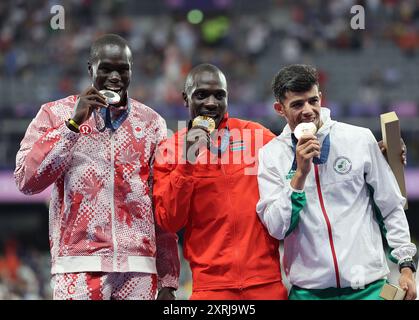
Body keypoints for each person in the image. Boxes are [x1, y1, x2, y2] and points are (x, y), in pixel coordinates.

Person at [14, 34, 179, 300]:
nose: (115, 76)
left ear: (131, 71)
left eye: (122, 69)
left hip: (139, 268)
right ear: (90, 68)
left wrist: (168, 279)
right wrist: (72, 126)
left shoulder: (152, 124)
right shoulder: (54, 114)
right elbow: (26, 180)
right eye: (106, 68)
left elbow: (160, 204)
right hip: (78, 265)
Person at [256, 64, 417, 300]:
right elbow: (276, 228)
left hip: (370, 289)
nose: (308, 110)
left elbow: (390, 205)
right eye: (297, 104)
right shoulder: (271, 155)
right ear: (280, 109)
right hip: (308, 293)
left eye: (313, 100)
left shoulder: (359, 139)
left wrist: (406, 267)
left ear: (321, 97)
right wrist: (299, 175)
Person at [153, 64, 288, 300]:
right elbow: (169, 220)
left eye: (219, 95)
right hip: (211, 289)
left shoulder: (257, 136)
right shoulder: (171, 149)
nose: (211, 103)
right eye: (201, 95)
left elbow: (301, 166)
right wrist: (187, 161)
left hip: (266, 283)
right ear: (186, 99)